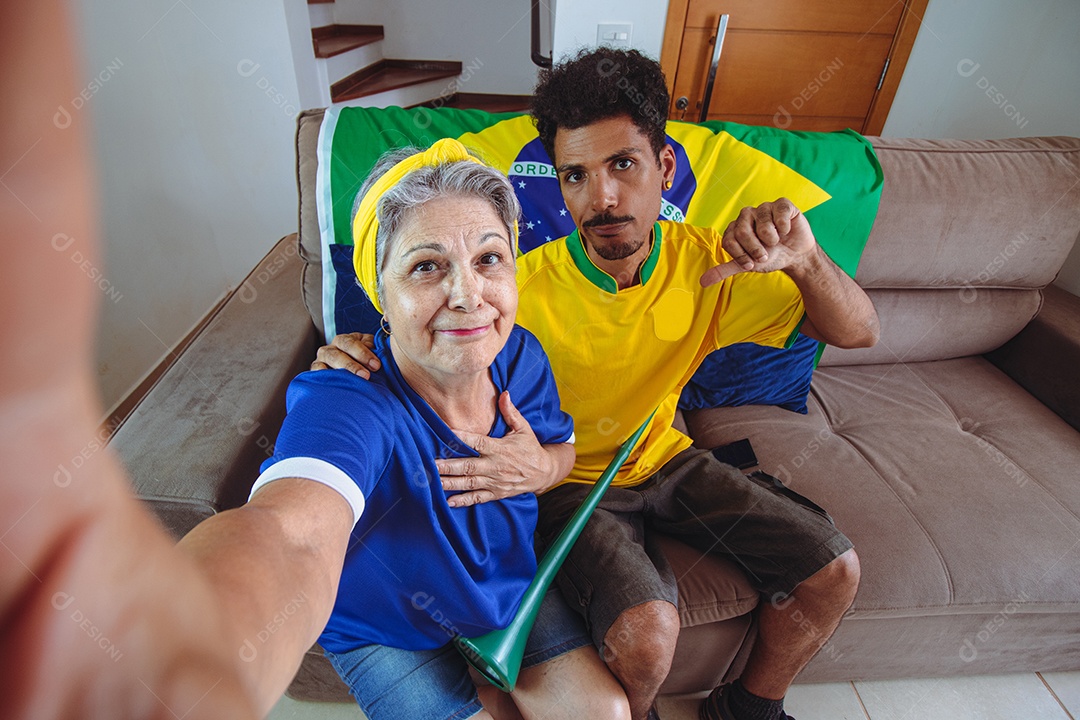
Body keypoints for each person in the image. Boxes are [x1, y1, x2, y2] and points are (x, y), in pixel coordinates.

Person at [316, 48, 879, 720]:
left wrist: (808, 261)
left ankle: (749, 708)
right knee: (648, 636)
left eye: (623, 165)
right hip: (567, 487)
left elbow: (858, 332)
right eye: (575, 175)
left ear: (665, 169)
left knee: (832, 570)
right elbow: (430, 336)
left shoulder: (712, 265)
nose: (602, 198)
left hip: (666, 459)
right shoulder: (517, 287)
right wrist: (361, 350)